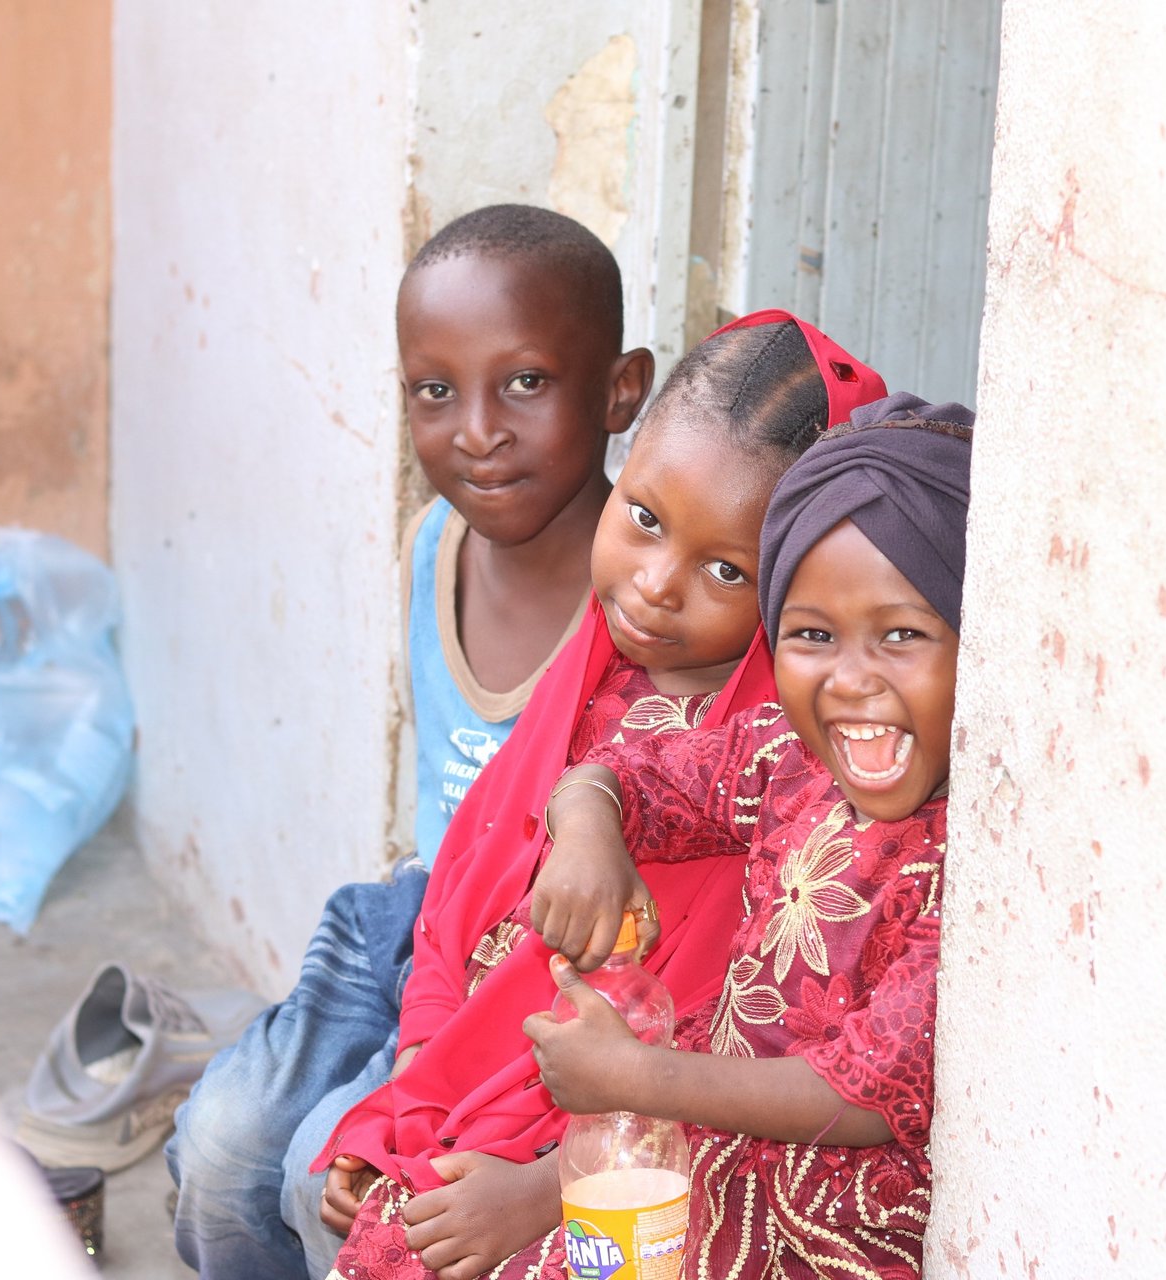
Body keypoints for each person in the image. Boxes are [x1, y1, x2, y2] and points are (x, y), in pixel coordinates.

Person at [317, 313, 890, 1280]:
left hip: (603, 1154)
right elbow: (460, 900)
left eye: (725, 570)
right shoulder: (590, 676)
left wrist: (541, 1185)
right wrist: (409, 1089)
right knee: (276, 1164)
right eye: (644, 519)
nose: (657, 586)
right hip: (467, 1085)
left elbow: (720, 1059)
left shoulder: (765, 771)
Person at [167, 203, 655, 1280]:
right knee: (217, 1145)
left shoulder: (647, 606)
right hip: (411, 922)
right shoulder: (434, 540)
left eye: (524, 381)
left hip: (529, 968)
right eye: (436, 391)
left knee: (319, 1175)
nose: (476, 428)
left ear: (622, 388)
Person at [522, 393, 975, 1278]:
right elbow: (622, 771)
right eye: (811, 634)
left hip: (823, 1233)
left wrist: (634, 1080)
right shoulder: (790, 760)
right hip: (697, 1177)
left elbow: (864, 1096)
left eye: (902, 635)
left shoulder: (973, 862)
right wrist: (586, 832)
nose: (851, 680)